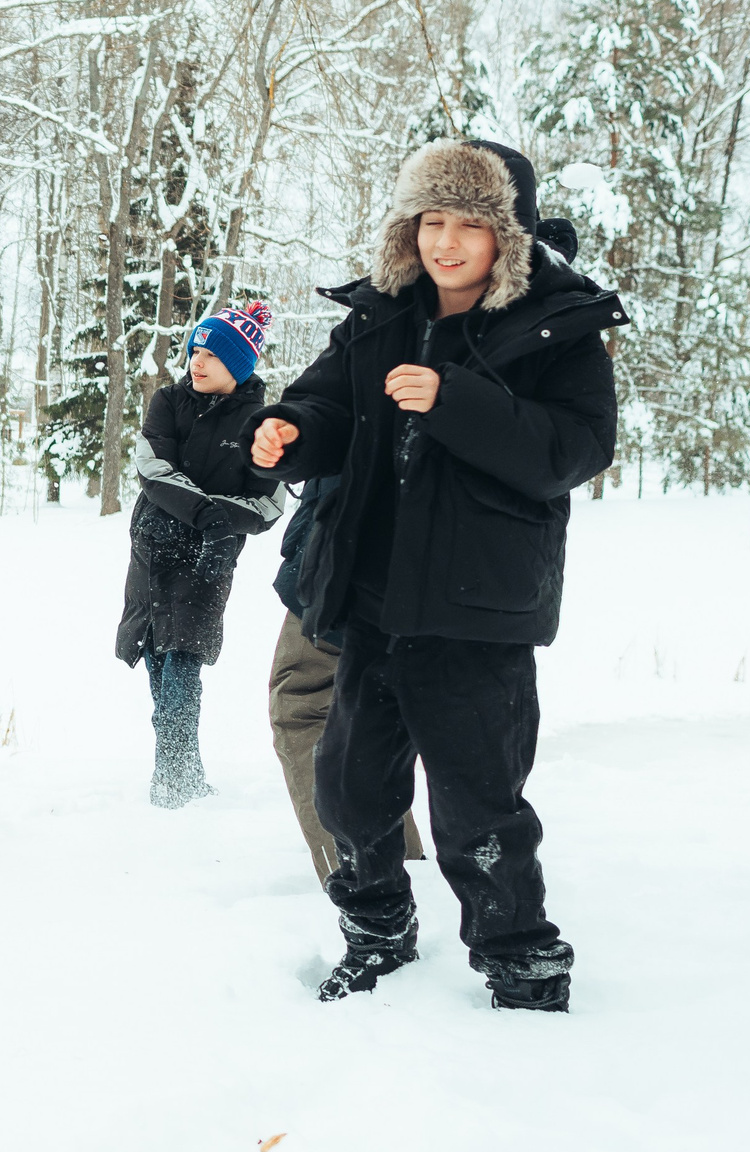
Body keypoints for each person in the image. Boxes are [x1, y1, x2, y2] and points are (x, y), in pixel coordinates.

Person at [251, 139, 625, 1012]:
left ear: (510, 235)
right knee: (348, 787)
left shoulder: (555, 324)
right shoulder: (383, 314)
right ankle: (376, 932)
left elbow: (574, 449)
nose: (446, 243)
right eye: (431, 221)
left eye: (469, 224)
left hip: (476, 610)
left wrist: (457, 401)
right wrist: (289, 433)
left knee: (478, 811)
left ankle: (521, 965)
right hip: (376, 600)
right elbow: (328, 401)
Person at [115, 302, 287, 807]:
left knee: (182, 664)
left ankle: (173, 784)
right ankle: (181, 770)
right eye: (196, 349)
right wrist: (213, 514)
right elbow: (154, 471)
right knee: (154, 658)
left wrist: (214, 526)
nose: (198, 360)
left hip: (208, 559)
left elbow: (267, 502)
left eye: (212, 354)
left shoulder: (262, 423)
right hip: (154, 550)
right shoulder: (167, 402)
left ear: (238, 366)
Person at [266, 475, 424, 884]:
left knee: (303, 706)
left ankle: (354, 875)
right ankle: (401, 863)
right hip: (442, 563)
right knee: (377, 714)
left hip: (348, 551)